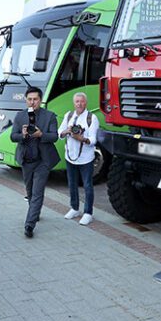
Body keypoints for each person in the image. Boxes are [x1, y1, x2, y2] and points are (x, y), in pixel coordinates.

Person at [10, 87, 60, 238]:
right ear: (26, 100)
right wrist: (23, 135)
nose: (32, 102)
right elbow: (13, 136)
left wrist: (41, 134)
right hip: (26, 160)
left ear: (40, 100)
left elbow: (54, 137)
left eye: (35, 99)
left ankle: (29, 225)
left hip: (43, 161)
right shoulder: (20, 116)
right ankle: (35, 212)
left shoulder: (49, 116)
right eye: (30, 99)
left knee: (38, 192)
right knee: (30, 191)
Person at [58, 92, 99, 226]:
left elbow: (93, 140)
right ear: (74, 103)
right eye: (77, 101)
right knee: (72, 183)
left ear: (85, 103)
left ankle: (88, 213)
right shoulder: (69, 115)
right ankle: (74, 208)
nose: (79, 104)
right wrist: (67, 131)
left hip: (86, 158)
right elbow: (60, 133)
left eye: (82, 101)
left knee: (87, 185)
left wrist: (82, 139)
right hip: (70, 157)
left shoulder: (92, 118)